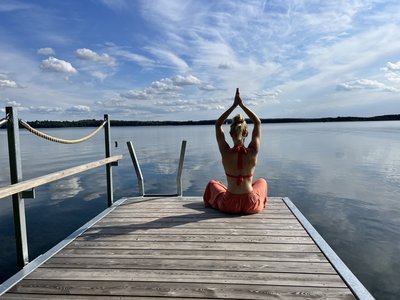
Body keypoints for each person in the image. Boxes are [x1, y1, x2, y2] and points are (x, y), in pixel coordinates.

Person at [203, 88, 267, 214]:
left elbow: (218, 124)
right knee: (262, 182)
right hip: (250, 204)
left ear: (231, 133)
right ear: (246, 133)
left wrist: (234, 106)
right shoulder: (253, 151)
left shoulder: (225, 151)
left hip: (229, 204)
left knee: (213, 183)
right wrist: (242, 105)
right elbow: (257, 123)